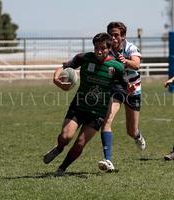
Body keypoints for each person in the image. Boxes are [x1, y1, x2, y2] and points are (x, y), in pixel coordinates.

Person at [43, 32, 124, 176]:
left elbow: (124, 85)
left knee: (80, 143)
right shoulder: (84, 58)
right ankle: (59, 148)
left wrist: (128, 88)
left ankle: (62, 169)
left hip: (98, 113)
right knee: (65, 137)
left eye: (103, 48)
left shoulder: (116, 67)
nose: (99, 51)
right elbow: (63, 67)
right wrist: (56, 79)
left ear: (109, 48)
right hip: (79, 107)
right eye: (96, 47)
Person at [98, 22, 146, 172]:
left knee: (131, 131)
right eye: (111, 34)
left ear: (123, 36)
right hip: (117, 89)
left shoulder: (130, 48)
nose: (113, 37)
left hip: (133, 91)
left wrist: (126, 62)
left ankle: (138, 136)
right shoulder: (107, 50)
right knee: (107, 120)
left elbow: (137, 64)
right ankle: (108, 160)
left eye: (116, 35)